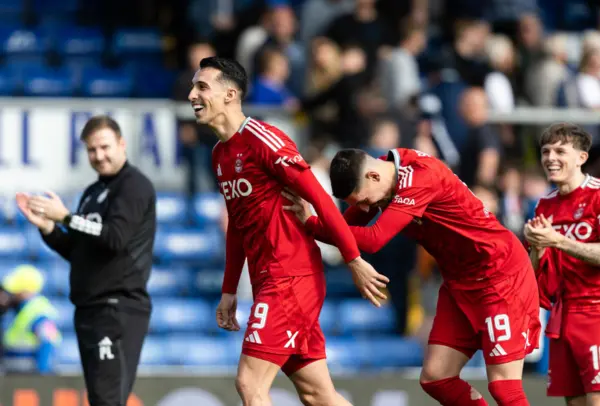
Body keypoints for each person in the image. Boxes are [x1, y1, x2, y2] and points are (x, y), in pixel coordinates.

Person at [188, 56, 389, 406]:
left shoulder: (264, 139)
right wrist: (229, 289)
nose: (192, 94)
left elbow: (321, 200)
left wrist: (353, 259)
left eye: (202, 87)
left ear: (230, 94)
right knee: (317, 394)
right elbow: (238, 223)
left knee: (250, 384)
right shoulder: (220, 154)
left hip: (290, 277)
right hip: (272, 278)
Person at [283, 147, 541, 406]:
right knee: (437, 378)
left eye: (362, 200)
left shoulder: (419, 178)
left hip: (499, 277)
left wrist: (312, 224)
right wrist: (310, 221)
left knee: (504, 388)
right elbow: (345, 227)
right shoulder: (384, 175)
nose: (364, 208)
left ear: (373, 176)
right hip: (460, 281)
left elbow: (373, 239)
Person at [15, 116, 156, 406]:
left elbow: (115, 238)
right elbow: (78, 251)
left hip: (117, 308)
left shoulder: (134, 186)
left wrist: (66, 217)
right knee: (101, 399)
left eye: (105, 147)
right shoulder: (93, 192)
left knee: (107, 400)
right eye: (92, 150)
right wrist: (48, 226)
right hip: (90, 310)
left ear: (122, 144)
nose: (99, 156)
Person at [524, 123, 600, 405]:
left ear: (582, 157)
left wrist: (556, 240)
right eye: (546, 151)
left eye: (560, 150)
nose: (550, 157)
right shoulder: (544, 204)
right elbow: (536, 275)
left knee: (599, 402)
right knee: (575, 403)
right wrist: (537, 247)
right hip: (563, 313)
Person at [2, 265, 61, 375]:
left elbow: (47, 342)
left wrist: (41, 379)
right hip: (15, 377)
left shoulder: (38, 311)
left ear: (24, 291)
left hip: (29, 380)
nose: (11, 294)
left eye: (15, 291)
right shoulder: (19, 311)